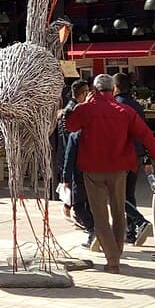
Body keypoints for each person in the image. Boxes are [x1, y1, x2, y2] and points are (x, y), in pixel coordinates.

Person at [66, 74, 155, 273]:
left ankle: (113, 260)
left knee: (100, 217)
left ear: (94, 91)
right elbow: (147, 136)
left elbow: (70, 126)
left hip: (93, 169)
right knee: (118, 211)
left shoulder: (86, 109)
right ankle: (117, 253)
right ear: (113, 90)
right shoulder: (126, 111)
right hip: (119, 169)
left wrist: (81, 106)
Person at [112, 73, 153, 245]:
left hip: (122, 155)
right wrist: (147, 157)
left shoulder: (115, 106)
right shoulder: (137, 105)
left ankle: (138, 221)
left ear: (116, 87)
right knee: (129, 193)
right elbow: (145, 132)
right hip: (137, 154)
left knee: (117, 195)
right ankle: (131, 231)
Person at [59, 81, 95, 242]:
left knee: (84, 200)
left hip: (82, 162)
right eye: (87, 92)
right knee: (79, 202)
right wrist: (66, 174)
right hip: (76, 164)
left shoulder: (75, 109)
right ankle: (92, 228)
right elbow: (70, 142)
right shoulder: (71, 111)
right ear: (80, 94)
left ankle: (91, 229)